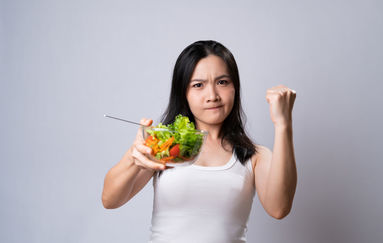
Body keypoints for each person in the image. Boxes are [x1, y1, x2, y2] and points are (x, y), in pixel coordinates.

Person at [102, 40, 297, 243]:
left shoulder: (254, 155)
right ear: (183, 93)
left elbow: (279, 208)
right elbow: (110, 200)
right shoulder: (164, 145)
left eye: (222, 82)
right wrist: (133, 159)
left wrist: (283, 124)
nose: (212, 96)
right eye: (198, 85)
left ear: (235, 88)